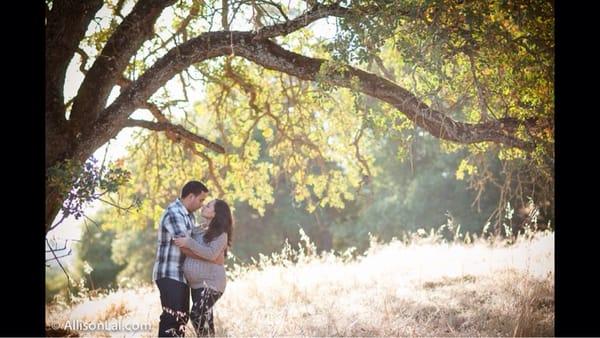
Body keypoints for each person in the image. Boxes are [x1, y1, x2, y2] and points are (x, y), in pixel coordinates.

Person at [152, 181, 209, 337]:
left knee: (181, 319)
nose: (201, 205)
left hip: (181, 276)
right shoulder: (174, 213)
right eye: (201, 200)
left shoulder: (189, 216)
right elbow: (184, 245)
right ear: (191, 196)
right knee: (172, 319)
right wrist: (207, 257)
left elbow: (193, 239)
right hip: (170, 274)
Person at [174, 199, 233, 336]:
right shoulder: (198, 229)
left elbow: (211, 254)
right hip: (196, 285)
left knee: (197, 314)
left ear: (215, 213)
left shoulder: (221, 234)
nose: (203, 206)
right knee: (205, 319)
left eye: (208, 206)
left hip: (212, 284)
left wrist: (189, 242)